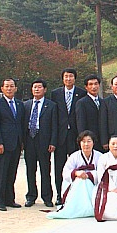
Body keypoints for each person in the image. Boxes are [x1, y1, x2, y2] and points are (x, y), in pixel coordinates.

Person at [50, 68, 87, 206]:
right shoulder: (55, 93)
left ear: (75, 78)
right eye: (66, 76)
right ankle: (60, 195)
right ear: (62, 78)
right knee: (59, 167)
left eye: (71, 76)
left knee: (76, 166)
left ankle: (74, 194)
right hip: (60, 136)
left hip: (75, 136)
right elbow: (54, 116)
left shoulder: (81, 93)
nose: (68, 79)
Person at [0, 78, 26, 211]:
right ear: (2, 89)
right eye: (7, 86)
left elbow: (21, 124)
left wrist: (22, 142)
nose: (9, 89)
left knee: (11, 173)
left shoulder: (19, 104)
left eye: (12, 86)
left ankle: (9, 199)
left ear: (16, 88)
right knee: (0, 173)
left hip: (16, 143)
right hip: (2, 144)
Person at [47, 130, 102, 219]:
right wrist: (76, 173)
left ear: (93, 143)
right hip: (77, 185)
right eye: (83, 141)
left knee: (86, 181)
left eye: (89, 141)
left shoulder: (99, 156)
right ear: (79, 143)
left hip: (93, 185)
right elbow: (65, 173)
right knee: (81, 181)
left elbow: (102, 173)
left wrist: (89, 175)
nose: (86, 144)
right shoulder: (74, 156)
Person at [23, 79, 58, 208]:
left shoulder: (51, 105)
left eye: (39, 87)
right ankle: (31, 196)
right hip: (29, 140)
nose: (37, 89)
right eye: (34, 87)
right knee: (30, 170)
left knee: (45, 170)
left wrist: (53, 142)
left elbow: (55, 125)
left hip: (44, 141)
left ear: (45, 89)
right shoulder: (26, 105)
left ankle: (47, 197)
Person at [75, 74, 103, 151]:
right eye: (90, 84)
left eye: (96, 84)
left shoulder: (103, 102)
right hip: (89, 141)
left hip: (102, 141)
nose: (94, 87)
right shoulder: (81, 103)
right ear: (86, 87)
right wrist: (84, 141)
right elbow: (81, 124)